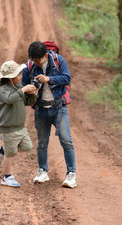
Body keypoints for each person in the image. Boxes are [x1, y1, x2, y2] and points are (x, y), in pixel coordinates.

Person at [22, 41, 77, 188]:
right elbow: (23, 85)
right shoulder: (29, 66)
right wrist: (30, 90)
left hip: (59, 107)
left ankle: (71, 174)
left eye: (38, 60)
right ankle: (42, 171)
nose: (35, 62)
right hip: (41, 109)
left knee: (66, 140)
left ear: (45, 56)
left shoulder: (59, 60)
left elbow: (67, 78)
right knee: (41, 142)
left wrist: (49, 79)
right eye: (33, 59)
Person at [0, 60, 38, 187]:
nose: (20, 77)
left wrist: (34, 93)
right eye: (18, 75)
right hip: (8, 127)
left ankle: (2, 150)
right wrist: (23, 89)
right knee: (11, 153)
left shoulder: (18, 87)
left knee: (27, 147)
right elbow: (10, 99)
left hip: (20, 127)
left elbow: (27, 102)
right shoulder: (4, 89)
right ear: (10, 77)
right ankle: (7, 177)